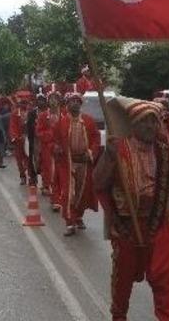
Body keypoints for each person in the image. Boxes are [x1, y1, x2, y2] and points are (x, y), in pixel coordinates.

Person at [93, 96, 169, 321]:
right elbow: (98, 183)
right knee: (123, 281)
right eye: (144, 121)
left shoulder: (163, 151)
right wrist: (109, 157)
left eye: (154, 121)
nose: (150, 126)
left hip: (159, 223)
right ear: (133, 124)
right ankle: (119, 317)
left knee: (165, 282)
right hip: (126, 226)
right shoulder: (118, 148)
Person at [55, 91, 101, 235]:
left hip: (84, 163)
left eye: (77, 101)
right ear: (67, 105)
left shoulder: (88, 121)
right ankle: (70, 223)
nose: (74, 104)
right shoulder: (61, 122)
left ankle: (78, 216)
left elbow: (96, 139)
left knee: (82, 192)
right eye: (71, 101)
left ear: (80, 104)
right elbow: (54, 140)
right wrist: (55, 148)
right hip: (68, 164)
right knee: (69, 193)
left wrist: (91, 153)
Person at [36, 87, 62, 195]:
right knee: (48, 166)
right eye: (51, 99)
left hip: (60, 145)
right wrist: (49, 135)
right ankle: (47, 185)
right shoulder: (43, 116)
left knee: (60, 167)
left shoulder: (63, 114)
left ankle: (58, 187)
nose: (53, 101)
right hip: (47, 146)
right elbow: (38, 131)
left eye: (55, 99)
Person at [10, 95, 31, 185]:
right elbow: (12, 127)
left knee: (29, 159)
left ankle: (30, 176)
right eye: (22, 103)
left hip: (29, 139)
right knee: (19, 160)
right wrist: (16, 137)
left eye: (26, 103)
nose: (24, 105)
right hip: (19, 140)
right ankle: (22, 176)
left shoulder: (31, 113)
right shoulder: (15, 113)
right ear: (19, 104)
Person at [27, 94, 46, 187]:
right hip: (35, 140)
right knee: (34, 159)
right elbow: (29, 127)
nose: (41, 102)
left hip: (46, 141)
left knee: (45, 160)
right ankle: (33, 178)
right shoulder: (32, 113)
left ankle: (45, 180)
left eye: (43, 100)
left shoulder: (48, 113)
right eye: (39, 100)